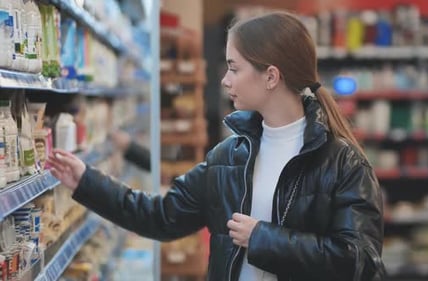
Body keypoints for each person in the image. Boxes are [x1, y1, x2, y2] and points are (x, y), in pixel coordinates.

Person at [48, 11, 385, 281]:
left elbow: (360, 261)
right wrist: (85, 181)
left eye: (234, 68)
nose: (224, 80)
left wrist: (263, 239)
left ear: (271, 76)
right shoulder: (227, 158)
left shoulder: (343, 163)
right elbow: (161, 217)